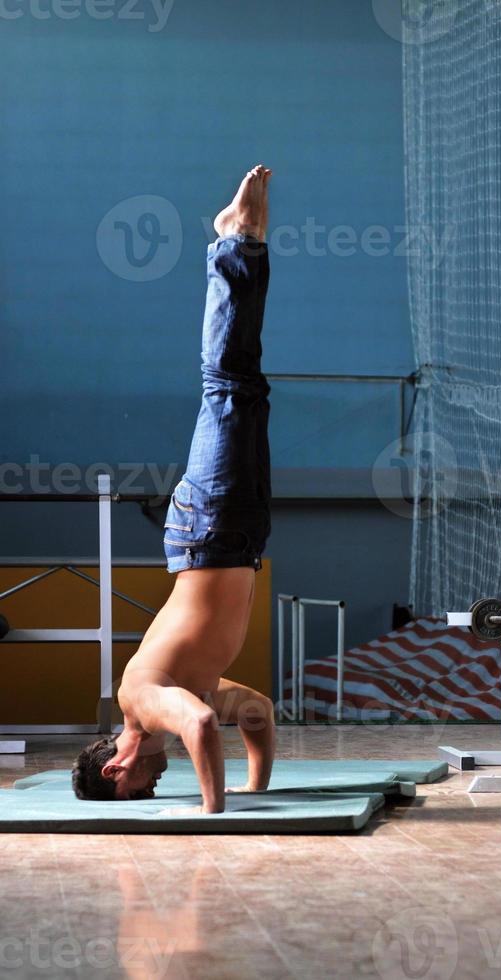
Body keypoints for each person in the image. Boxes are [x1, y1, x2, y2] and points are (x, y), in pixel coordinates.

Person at [72, 165, 276, 814]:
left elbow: (198, 727)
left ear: (115, 770)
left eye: (134, 789)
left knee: (230, 387)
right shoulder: (185, 690)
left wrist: (213, 812)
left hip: (209, 534)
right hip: (234, 541)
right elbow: (255, 714)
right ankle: (239, 247)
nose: (149, 789)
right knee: (247, 391)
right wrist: (252, 788)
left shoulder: (141, 703)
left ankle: (232, 244)